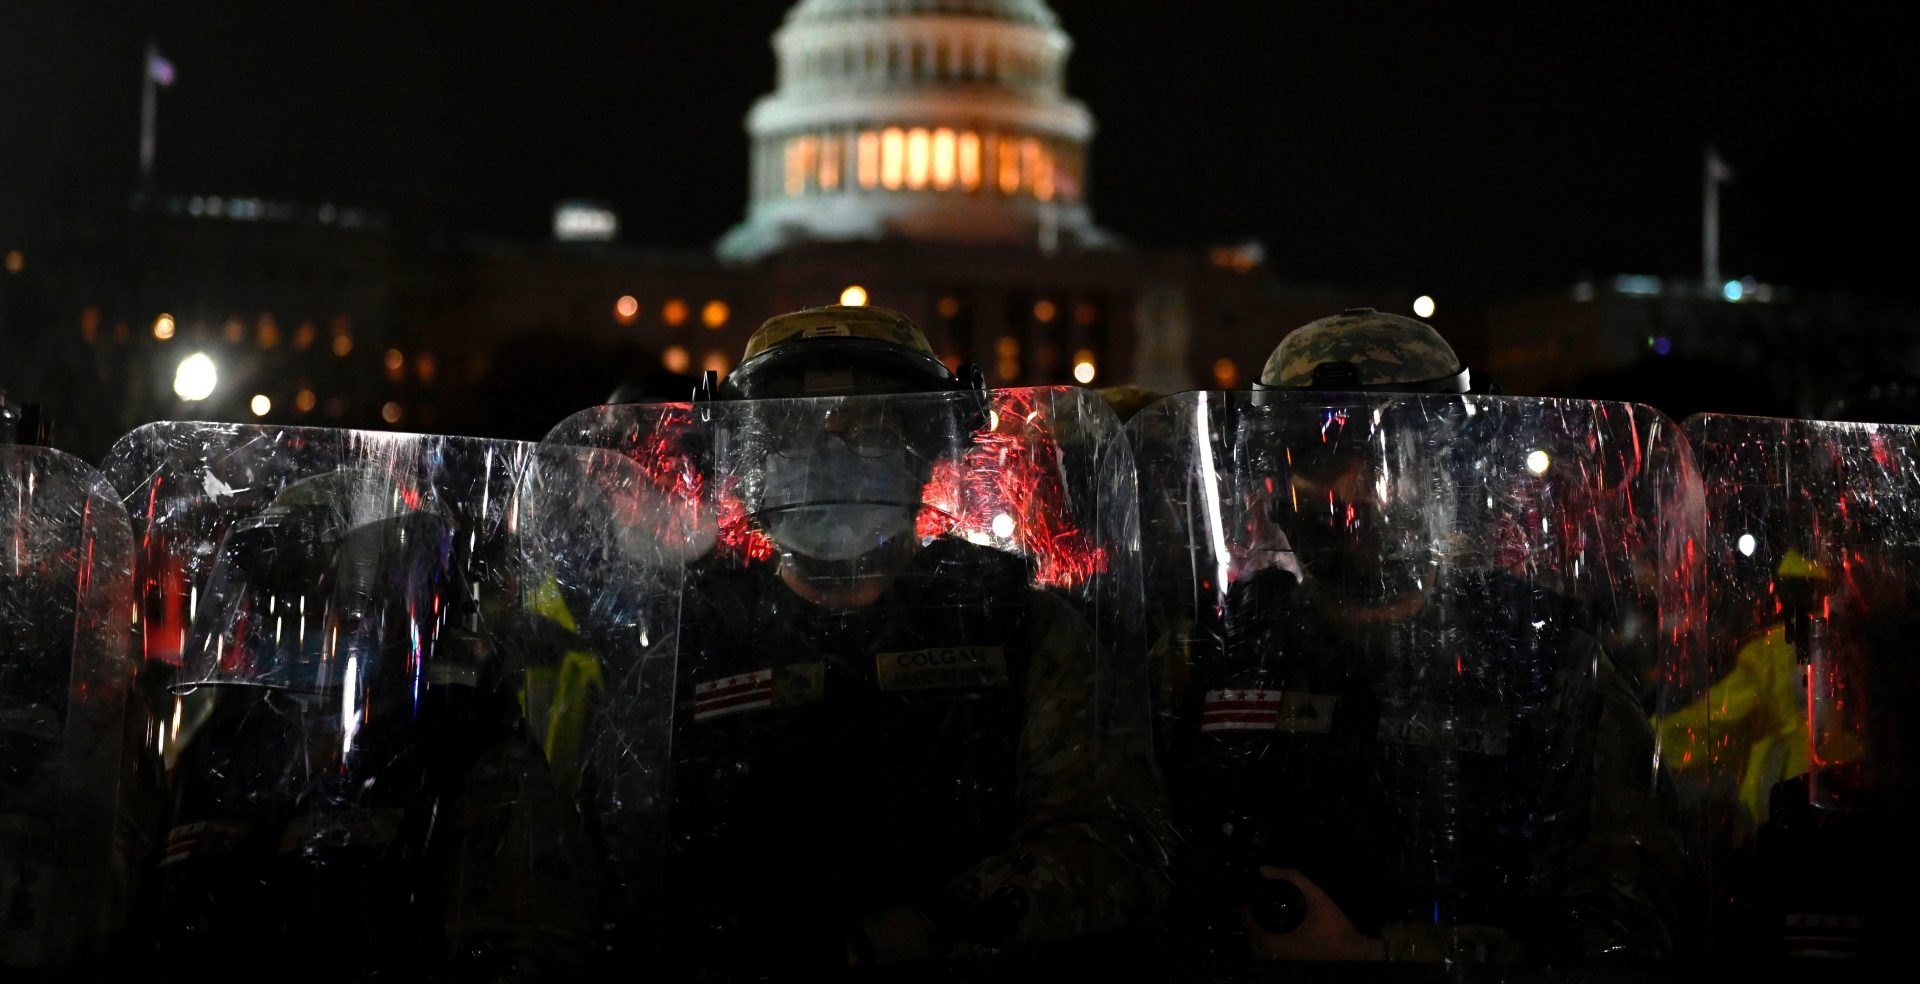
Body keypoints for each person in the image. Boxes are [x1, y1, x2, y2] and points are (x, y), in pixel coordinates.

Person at [593, 305, 1162, 978]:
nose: (829, 456)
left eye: (872, 429)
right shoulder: (694, 647)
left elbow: (1111, 840)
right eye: (791, 432)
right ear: (743, 462)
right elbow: (609, 866)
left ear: (925, 453)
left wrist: (922, 932)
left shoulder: (1015, 628)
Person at [1151, 308, 1692, 964]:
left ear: (1448, 465)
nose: (1345, 491)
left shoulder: (1542, 657)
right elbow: (1128, 869)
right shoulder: (1209, 651)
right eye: (1310, 450)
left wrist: (1382, 954)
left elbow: (1632, 920)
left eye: (1382, 454)